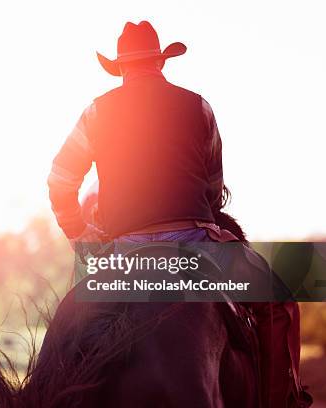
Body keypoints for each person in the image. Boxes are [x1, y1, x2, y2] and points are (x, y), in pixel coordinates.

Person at [47, 20, 310, 407]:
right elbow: (213, 187)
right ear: (161, 62)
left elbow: (60, 181)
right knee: (279, 304)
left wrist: (83, 234)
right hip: (195, 244)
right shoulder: (197, 106)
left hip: (123, 250)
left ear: (120, 68)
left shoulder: (95, 113)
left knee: (69, 319)